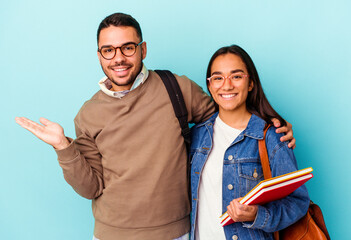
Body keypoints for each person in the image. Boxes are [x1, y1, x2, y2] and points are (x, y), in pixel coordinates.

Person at [15, 13, 295, 240]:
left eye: (127, 47)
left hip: (177, 231)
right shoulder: (88, 114)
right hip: (112, 235)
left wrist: (272, 126)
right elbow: (91, 187)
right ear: (99, 55)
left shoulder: (176, 88)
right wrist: (63, 147)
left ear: (142, 49)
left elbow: (227, 118)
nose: (118, 58)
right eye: (108, 50)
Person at [189, 45, 310, 240]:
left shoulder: (271, 137)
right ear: (210, 85)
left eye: (236, 76)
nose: (227, 85)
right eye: (218, 78)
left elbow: (297, 202)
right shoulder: (197, 136)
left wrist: (258, 215)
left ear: (251, 83)